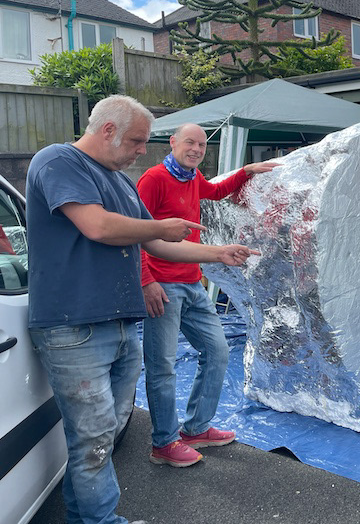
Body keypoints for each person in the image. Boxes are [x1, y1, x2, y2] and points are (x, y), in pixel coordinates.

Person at [27, 95, 258, 524]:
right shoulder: (58, 160)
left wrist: (218, 253)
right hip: (73, 326)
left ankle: (85, 519)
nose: (140, 151)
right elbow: (97, 226)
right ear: (108, 130)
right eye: (136, 141)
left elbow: (155, 243)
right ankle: (101, 519)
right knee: (94, 439)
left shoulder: (119, 180)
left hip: (117, 324)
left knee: (106, 435)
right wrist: (160, 228)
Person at [137, 123, 276, 467]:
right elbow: (134, 232)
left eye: (201, 144)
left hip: (192, 283)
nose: (196, 149)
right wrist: (145, 281)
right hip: (162, 286)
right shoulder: (153, 179)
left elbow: (213, 191)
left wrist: (245, 172)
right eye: (190, 142)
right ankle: (163, 443)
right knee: (163, 367)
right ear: (173, 143)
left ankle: (196, 427)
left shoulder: (191, 178)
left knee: (216, 351)